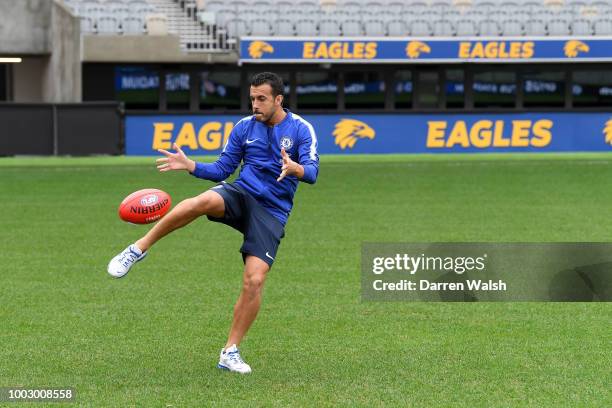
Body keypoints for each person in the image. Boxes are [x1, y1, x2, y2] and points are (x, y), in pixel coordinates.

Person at [107, 72, 319, 374]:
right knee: (200, 201)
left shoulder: (301, 129)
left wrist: (296, 168)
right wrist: (191, 166)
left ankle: (229, 351)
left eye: (262, 99)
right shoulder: (245, 128)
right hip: (242, 193)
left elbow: (312, 172)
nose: (255, 105)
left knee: (254, 280)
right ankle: (137, 248)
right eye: (252, 99)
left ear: (278, 99)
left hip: (272, 211)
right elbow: (223, 169)